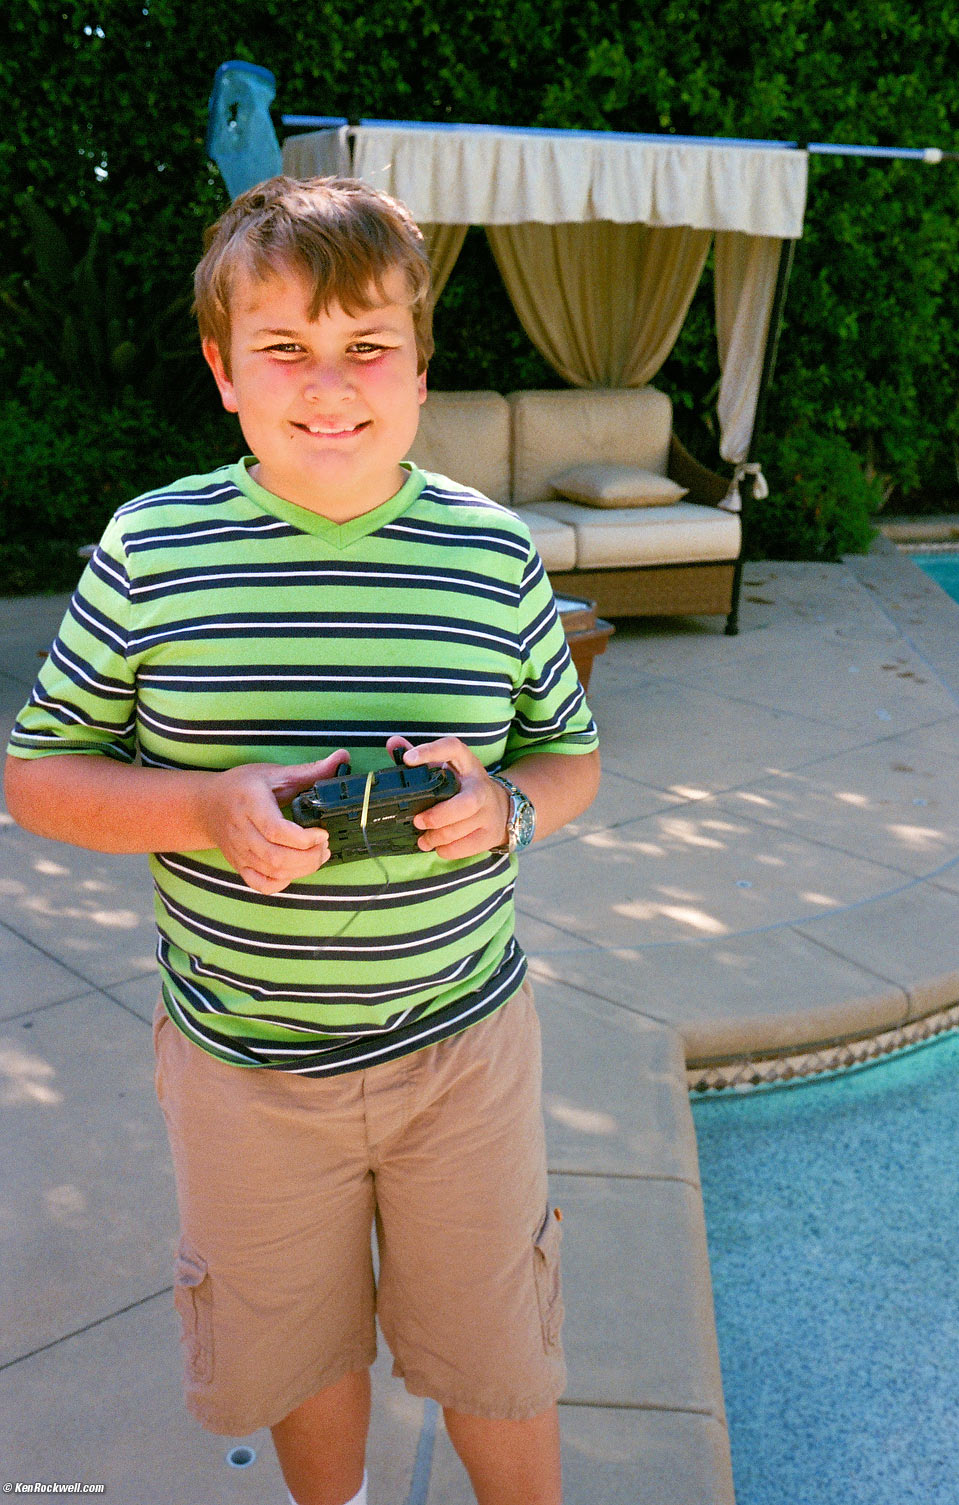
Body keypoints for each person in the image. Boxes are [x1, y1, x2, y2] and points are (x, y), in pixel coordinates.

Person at [4, 175, 600, 1505]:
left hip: (464, 1050)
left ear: (421, 366)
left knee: (500, 1352)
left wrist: (505, 807)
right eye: (284, 346)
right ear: (224, 371)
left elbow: (570, 755)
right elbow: (37, 777)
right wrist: (202, 808)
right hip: (246, 1065)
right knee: (296, 1347)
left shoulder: (495, 557)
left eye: (367, 343)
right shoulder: (151, 553)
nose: (330, 384)